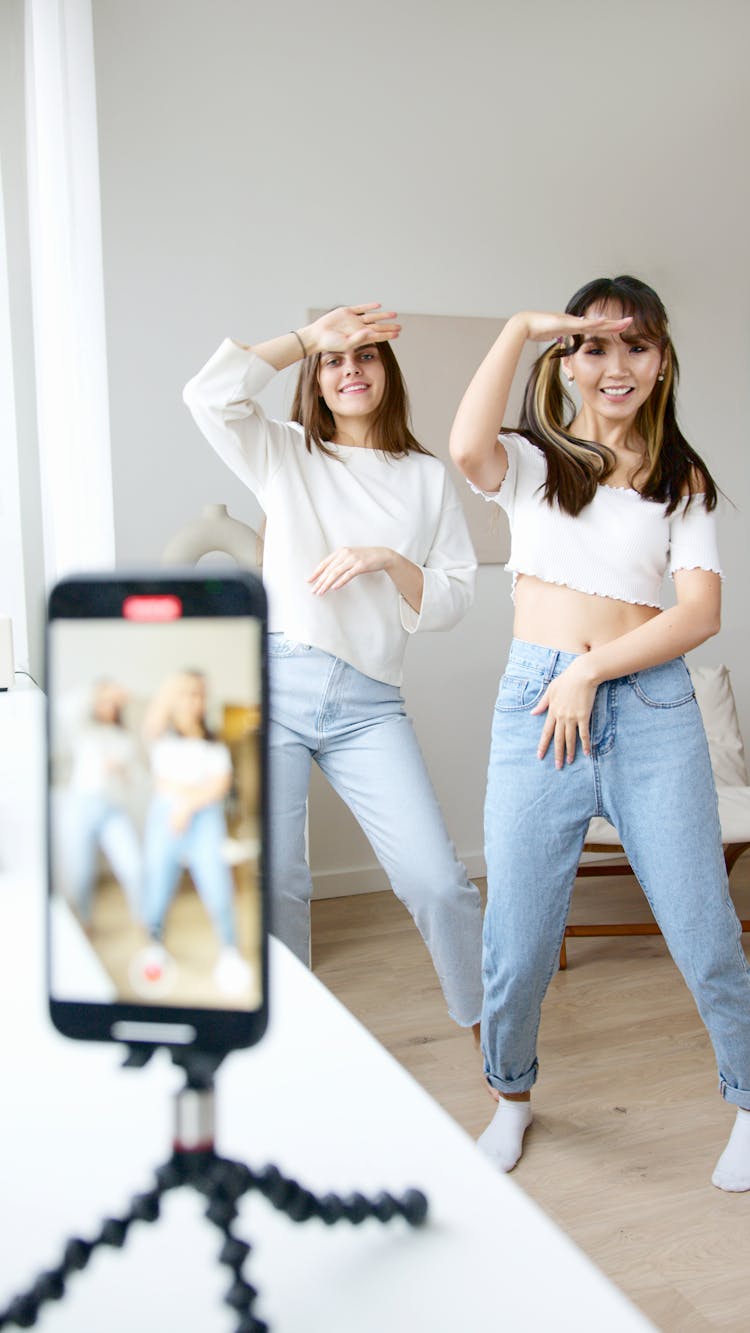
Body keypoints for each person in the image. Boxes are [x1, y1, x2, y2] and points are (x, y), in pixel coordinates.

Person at [449, 275, 750, 1190]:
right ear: (566, 363)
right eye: (594, 345)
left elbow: (699, 613)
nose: (615, 364)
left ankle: (747, 1101)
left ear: (661, 365)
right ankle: (510, 1097)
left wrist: (589, 669)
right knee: (519, 934)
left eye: (637, 346)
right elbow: (466, 447)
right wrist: (519, 327)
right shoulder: (536, 463)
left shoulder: (680, 480)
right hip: (536, 713)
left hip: (649, 705)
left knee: (703, 928)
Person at [183, 304, 483, 1032]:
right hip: (274, 686)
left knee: (438, 882)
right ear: (315, 378)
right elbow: (207, 394)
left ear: (389, 373)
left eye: (366, 356)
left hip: (368, 703)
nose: (351, 369)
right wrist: (307, 338)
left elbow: (454, 597)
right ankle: (291, 1043)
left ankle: (497, 1049)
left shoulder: (425, 478)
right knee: (276, 881)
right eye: (335, 360)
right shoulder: (282, 452)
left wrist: (388, 559)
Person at [135, 670, 251, 997]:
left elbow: (220, 783)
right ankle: (154, 945)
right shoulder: (161, 736)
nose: (193, 700)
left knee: (217, 884)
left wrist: (187, 803)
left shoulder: (213, 743)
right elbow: (161, 781)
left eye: (199, 694)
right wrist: (176, 683)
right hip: (165, 817)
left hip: (202, 817)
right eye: (187, 693)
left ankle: (229, 951)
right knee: (157, 881)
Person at [63, 679, 143, 924]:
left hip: (112, 809)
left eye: (113, 703)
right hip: (82, 806)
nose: (108, 707)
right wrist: (99, 690)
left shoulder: (125, 737)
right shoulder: (84, 730)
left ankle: (146, 923)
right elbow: (65, 706)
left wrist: (122, 771)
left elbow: (135, 779)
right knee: (80, 874)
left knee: (135, 868)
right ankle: (84, 923)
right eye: (103, 701)